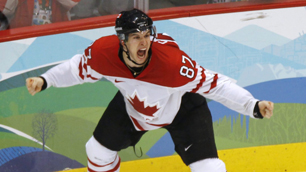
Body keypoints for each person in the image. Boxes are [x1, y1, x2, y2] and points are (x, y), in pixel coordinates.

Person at [26, 9, 274, 172]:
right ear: (122, 41)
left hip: (182, 109)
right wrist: (45, 80)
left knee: (210, 168)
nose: (144, 42)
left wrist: (252, 105)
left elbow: (217, 85)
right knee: (97, 150)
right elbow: (77, 68)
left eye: (147, 35)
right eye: (136, 37)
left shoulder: (173, 66)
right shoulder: (104, 53)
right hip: (133, 107)